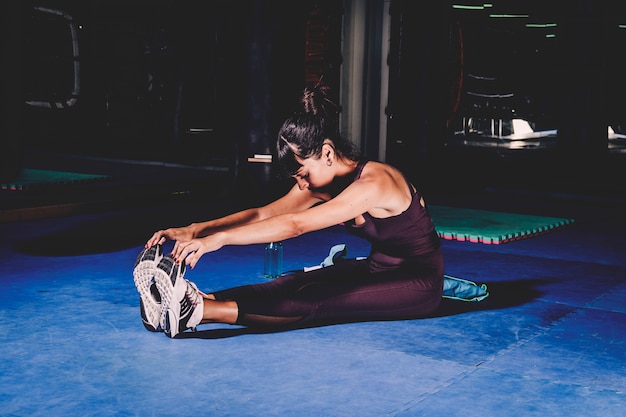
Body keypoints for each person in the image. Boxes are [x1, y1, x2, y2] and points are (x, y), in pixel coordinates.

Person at [133, 84, 444, 338]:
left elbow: (295, 224)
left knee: (320, 301)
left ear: (327, 153)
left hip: (419, 283)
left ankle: (199, 312)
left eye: (303, 175)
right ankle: (184, 299)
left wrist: (219, 240)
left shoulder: (376, 183)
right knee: (289, 283)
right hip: (377, 268)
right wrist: (197, 229)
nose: (303, 186)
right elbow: (262, 214)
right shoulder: (319, 183)